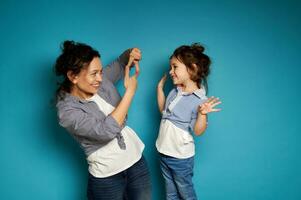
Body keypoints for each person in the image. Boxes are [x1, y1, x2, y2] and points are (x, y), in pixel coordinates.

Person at [54, 40, 151, 200]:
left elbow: (121, 63)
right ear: (73, 76)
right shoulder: (67, 111)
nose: (100, 78)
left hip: (137, 163)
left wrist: (130, 53)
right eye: (94, 73)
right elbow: (106, 131)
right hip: (108, 178)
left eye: (100, 72)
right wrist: (130, 93)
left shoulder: (100, 81)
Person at [156, 43, 221, 200]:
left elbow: (198, 131)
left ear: (192, 69)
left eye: (175, 67)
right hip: (163, 152)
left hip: (180, 158)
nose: (171, 72)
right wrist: (159, 89)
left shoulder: (200, 101)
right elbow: (163, 113)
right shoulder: (174, 91)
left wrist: (202, 114)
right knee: (171, 194)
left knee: (185, 194)